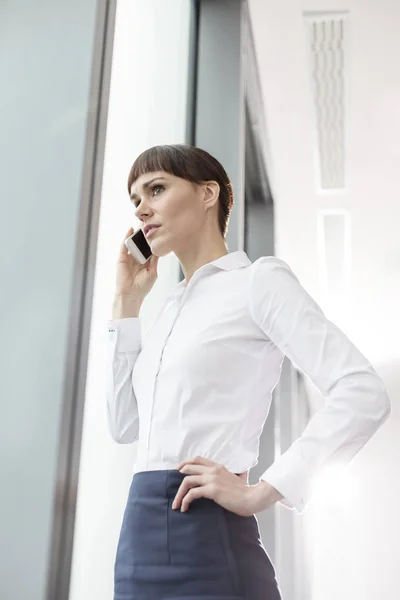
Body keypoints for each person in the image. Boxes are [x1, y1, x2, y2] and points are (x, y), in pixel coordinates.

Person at [106, 144, 391, 599]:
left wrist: (263, 491)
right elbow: (124, 426)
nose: (141, 208)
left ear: (207, 194)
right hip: (138, 538)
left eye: (156, 188)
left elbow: (362, 391)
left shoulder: (258, 282)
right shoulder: (166, 312)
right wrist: (127, 304)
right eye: (135, 198)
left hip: (208, 536)